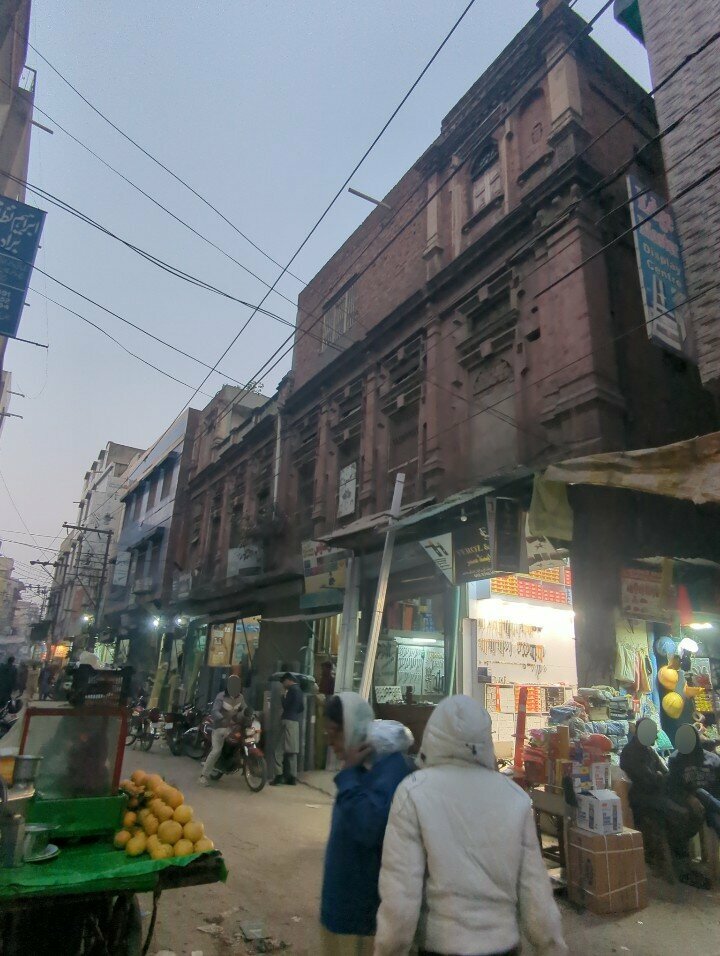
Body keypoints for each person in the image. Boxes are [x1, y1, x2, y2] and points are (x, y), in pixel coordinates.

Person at [374, 695, 567, 956]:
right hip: (503, 946)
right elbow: (536, 892)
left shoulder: (413, 793)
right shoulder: (515, 798)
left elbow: (400, 896)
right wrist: (551, 947)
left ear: (432, 735)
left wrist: (389, 949)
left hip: (439, 946)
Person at [320, 693, 414, 956]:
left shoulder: (389, 768)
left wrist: (349, 775)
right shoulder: (365, 763)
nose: (330, 742)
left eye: (334, 733)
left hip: (360, 917)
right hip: (342, 906)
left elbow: (368, 828)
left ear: (352, 727)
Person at [199, 674, 247, 786]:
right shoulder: (221, 697)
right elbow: (215, 711)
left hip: (234, 727)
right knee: (216, 750)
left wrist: (250, 714)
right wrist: (222, 718)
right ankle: (203, 776)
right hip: (220, 727)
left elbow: (245, 709)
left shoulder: (241, 697)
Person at [270, 672, 304, 786]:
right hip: (295, 721)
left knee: (278, 750)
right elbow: (301, 708)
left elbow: (285, 705)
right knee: (292, 750)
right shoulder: (300, 691)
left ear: (289, 680)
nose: (283, 685)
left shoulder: (291, 690)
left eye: (283, 682)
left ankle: (278, 776)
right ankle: (292, 778)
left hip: (287, 721)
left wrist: (282, 696)